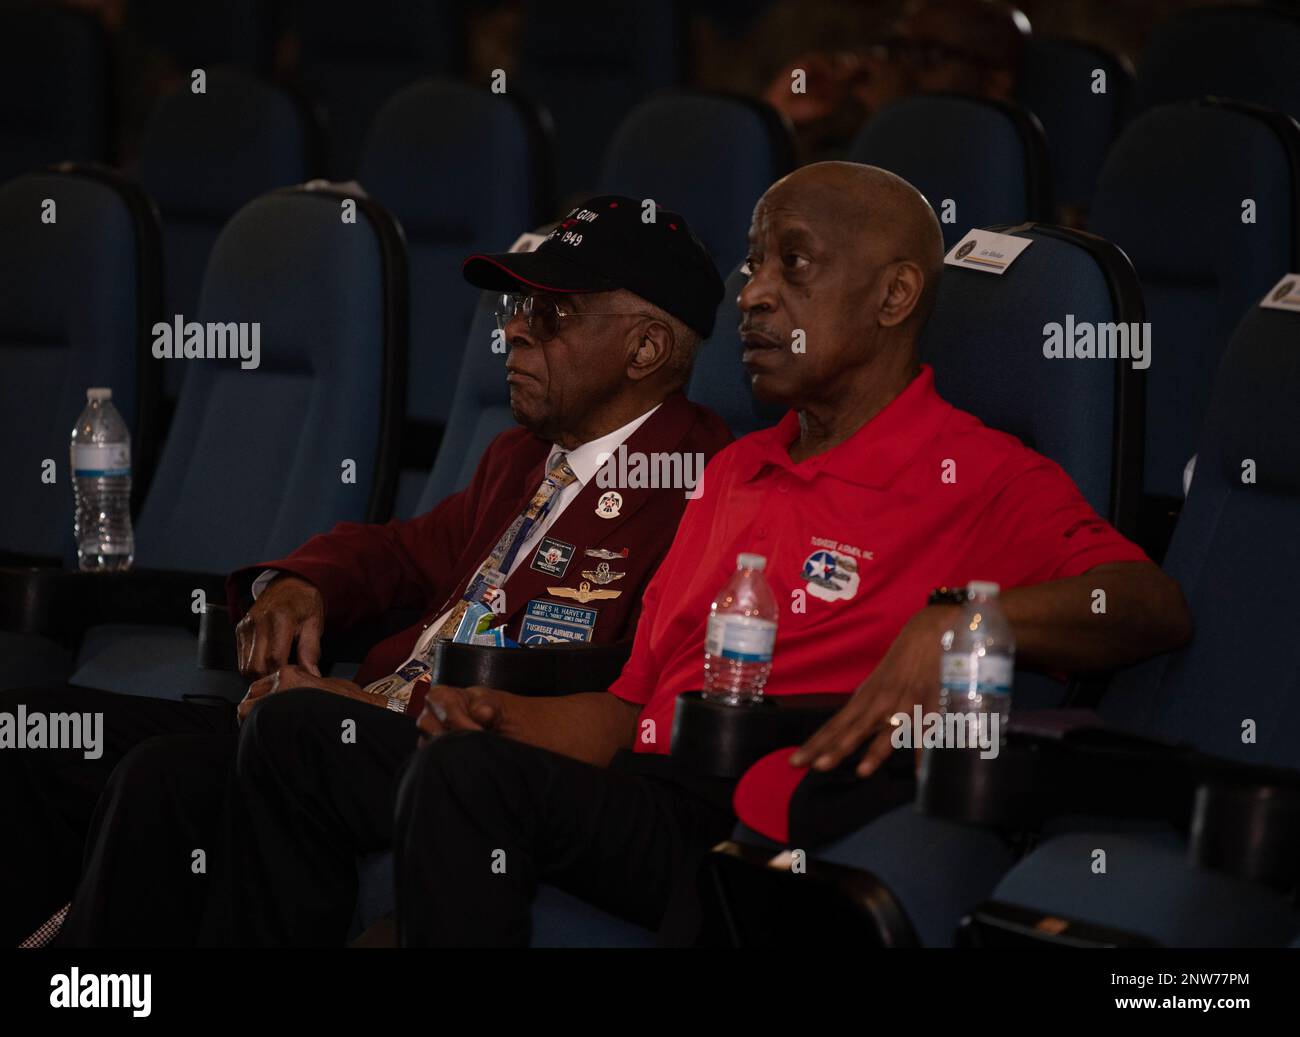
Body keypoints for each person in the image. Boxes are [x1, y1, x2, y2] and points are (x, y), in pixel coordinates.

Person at [389, 162, 1191, 946]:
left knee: (463, 785)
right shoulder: (735, 468)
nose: (754, 292)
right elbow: (632, 710)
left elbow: (1148, 603)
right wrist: (501, 721)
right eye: (754, 262)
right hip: (660, 797)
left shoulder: (979, 471)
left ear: (894, 295)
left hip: (783, 818)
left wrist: (969, 622)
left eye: (793, 263)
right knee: (454, 765)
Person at [9, 195, 731, 947]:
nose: (512, 329)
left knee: (197, 768)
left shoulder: (697, 480)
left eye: (551, 314)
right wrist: (300, 582)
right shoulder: (520, 456)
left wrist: (364, 712)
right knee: (35, 732)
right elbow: (401, 549)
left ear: (645, 350)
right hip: (344, 721)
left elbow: (607, 693)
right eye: (517, 304)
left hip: (456, 758)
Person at [763, 0, 1031, 160]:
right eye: (896, 47)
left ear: (995, 83)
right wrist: (780, 116)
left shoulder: (997, 168)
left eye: (928, 54)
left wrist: (893, 119)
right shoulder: (842, 139)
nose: (899, 67)